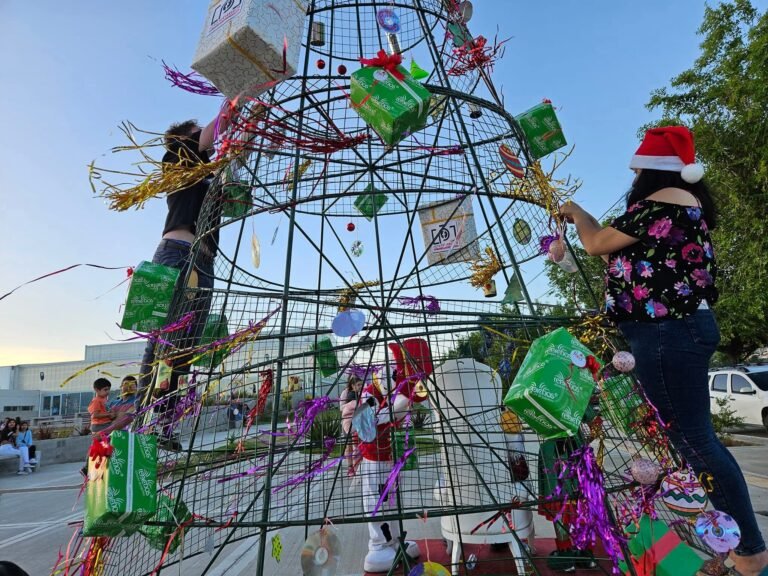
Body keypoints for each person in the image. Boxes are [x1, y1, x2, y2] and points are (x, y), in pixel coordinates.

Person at [559, 125, 767, 576]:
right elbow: (617, 257)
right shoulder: (678, 208)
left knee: (695, 442)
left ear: (651, 172)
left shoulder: (664, 202)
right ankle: (742, 547)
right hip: (674, 331)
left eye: (636, 172)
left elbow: (596, 244)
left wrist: (576, 212)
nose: (633, 180)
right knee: (698, 440)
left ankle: (750, 552)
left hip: (666, 333)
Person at [137, 103, 239, 450]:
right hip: (177, 254)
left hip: (204, 262)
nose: (204, 140)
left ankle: (165, 424)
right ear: (184, 139)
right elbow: (215, 130)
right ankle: (145, 422)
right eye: (196, 134)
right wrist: (237, 99)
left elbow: (230, 167)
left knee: (186, 347)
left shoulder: (207, 173)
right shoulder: (177, 157)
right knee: (164, 341)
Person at [340, 376, 363, 475]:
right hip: (348, 423)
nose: (360, 386)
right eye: (358, 384)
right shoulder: (347, 393)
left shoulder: (360, 392)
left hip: (356, 422)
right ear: (352, 384)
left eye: (361, 384)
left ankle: (356, 466)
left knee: (357, 446)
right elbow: (342, 408)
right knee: (349, 446)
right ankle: (351, 467)